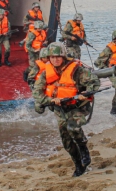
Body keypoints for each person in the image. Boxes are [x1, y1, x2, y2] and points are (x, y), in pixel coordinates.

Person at [33, 43, 100, 177]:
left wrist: (85, 93)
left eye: (58, 57)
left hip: (77, 107)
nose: (56, 60)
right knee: (67, 142)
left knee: (73, 128)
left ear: (63, 57)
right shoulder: (46, 73)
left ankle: (83, 149)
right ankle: (78, 165)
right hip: (60, 109)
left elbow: (94, 82)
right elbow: (37, 93)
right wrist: (51, 101)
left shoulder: (77, 71)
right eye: (52, 57)